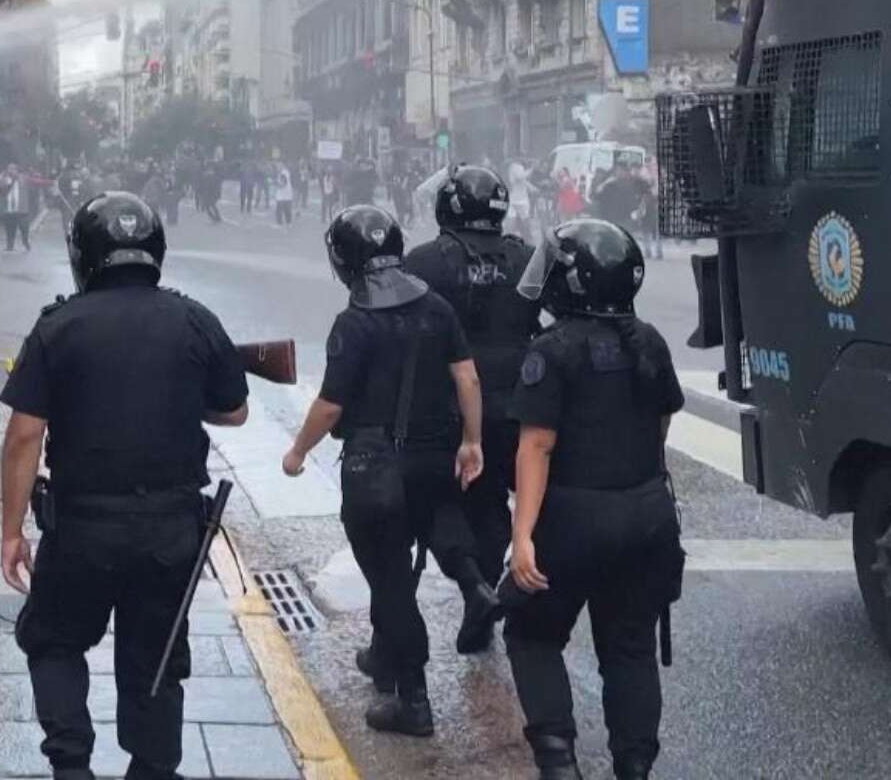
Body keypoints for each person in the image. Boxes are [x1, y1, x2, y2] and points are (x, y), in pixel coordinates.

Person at [0, 191, 249, 780]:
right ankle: (154, 767)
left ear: (84, 255)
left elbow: (23, 434)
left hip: (81, 528)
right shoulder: (194, 319)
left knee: (54, 640)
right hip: (171, 531)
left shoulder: (57, 326)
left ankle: (72, 763)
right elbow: (234, 411)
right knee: (155, 656)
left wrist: (11, 531)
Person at [282, 205, 488, 737]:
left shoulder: (355, 321)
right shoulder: (437, 307)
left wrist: (298, 452)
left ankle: (413, 699)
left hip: (374, 466)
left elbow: (330, 406)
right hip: (432, 456)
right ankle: (452, 599)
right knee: (435, 516)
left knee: (391, 579)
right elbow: (467, 379)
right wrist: (471, 441)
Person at [505, 219, 686, 780]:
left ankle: (559, 763)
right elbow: (660, 425)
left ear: (573, 283)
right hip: (649, 517)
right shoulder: (649, 340)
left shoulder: (552, 349)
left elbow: (536, 445)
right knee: (629, 648)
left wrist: (522, 537)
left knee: (531, 635)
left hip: (573, 522)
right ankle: (633, 768)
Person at [403, 165, 541, 653]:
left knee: (439, 499)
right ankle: (485, 592)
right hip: (518, 403)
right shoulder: (528, 259)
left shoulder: (422, 262)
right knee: (492, 505)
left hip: (449, 405)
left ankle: (475, 590)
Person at [0, 164, 33, 252]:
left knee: (24, 228)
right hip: (9, 210)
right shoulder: (4, 180)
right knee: (10, 230)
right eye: (9, 169)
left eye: (13, 169)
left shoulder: (24, 178)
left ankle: (25, 241)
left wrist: (51, 182)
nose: (11, 171)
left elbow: (37, 181)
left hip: (21, 210)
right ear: (7, 170)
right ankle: (10, 245)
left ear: (17, 170)